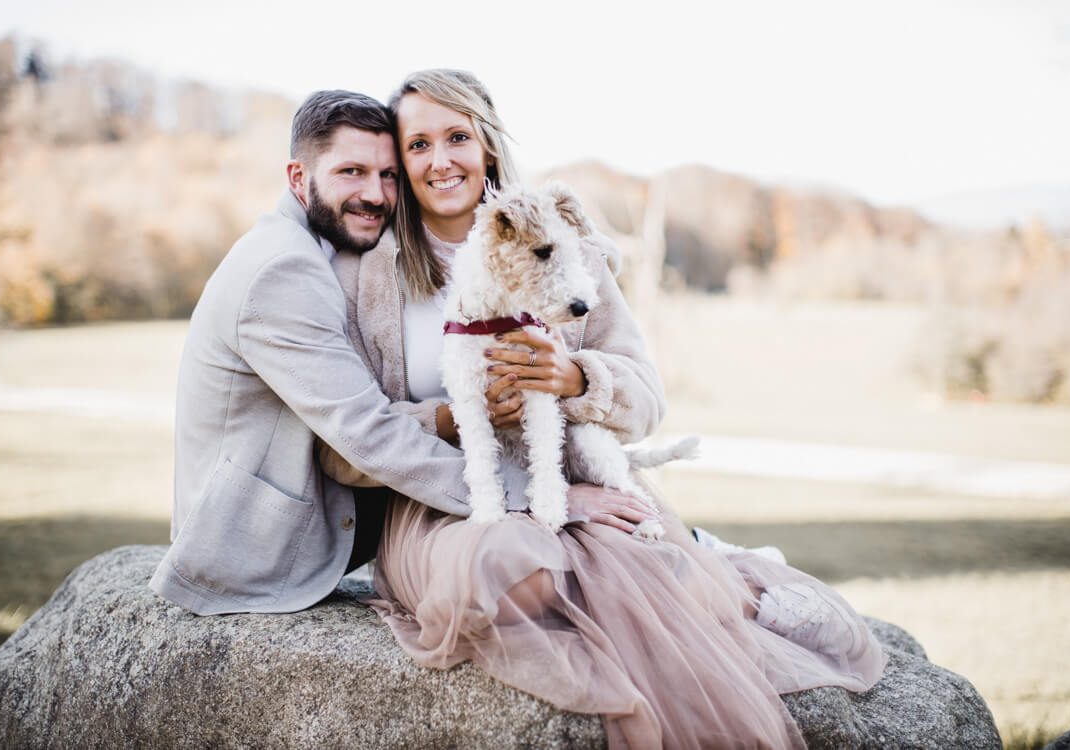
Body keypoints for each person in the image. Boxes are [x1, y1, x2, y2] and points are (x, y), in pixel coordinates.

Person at [320, 69, 888, 749]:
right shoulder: (365, 273)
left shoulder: (568, 248)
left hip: (573, 475)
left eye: (457, 137)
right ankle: (682, 564)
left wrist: (573, 376)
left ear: (488, 146)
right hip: (444, 500)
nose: (440, 161)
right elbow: (339, 449)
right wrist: (447, 419)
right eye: (418, 145)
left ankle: (716, 572)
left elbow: (646, 399)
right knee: (511, 576)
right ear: (399, 161)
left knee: (639, 566)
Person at [149, 90, 549, 615]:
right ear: (298, 178)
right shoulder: (282, 270)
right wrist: (525, 498)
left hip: (345, 505)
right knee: (521, 571)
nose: (377, 195)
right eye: (351, 172)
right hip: (256, 546)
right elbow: (368, 433)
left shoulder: (318, 252)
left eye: (387, 175)